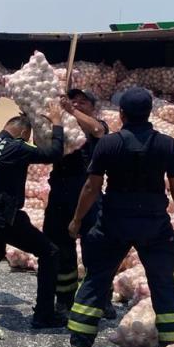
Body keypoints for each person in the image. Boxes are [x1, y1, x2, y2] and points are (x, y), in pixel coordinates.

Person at [66, 87, 174, 347]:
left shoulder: (108, 144)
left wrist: (77, 219)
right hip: (154, 223)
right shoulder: (167, 145)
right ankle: (173, 346)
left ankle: (81, 341)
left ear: (122, 114)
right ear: (149, 113)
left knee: (98, 275)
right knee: (165, 276)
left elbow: (92, 187)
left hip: (113, 220)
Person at [0, 102, 68, 328]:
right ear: (21, 132)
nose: (28, 140)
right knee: (50, 252)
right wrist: (57, 123)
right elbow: (55, 154)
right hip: (1, 216)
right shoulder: (16, 147)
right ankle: (44, 314)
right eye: (27, 136)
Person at [42, 88, 110, 318]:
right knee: (61, 248)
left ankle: (102, 299)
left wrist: (71, 111)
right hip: (60, 192)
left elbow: (98, 130)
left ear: (92, 107)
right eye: (74, 101)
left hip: (87, 193)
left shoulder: (97, 125)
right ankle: (65, 299)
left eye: (83, 102)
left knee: (96, 249)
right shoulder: (59, 126)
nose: (77, 104)